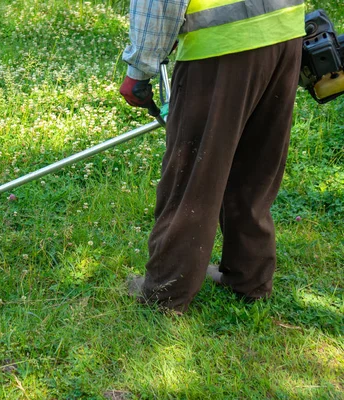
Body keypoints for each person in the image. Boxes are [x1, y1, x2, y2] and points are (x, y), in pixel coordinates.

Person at [120, 0, 306, 313]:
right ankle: (249, 278)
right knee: (254, 167)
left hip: (222, 45)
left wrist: (139, 68)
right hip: (285, 32)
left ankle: (167, 290)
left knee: (193, 173)